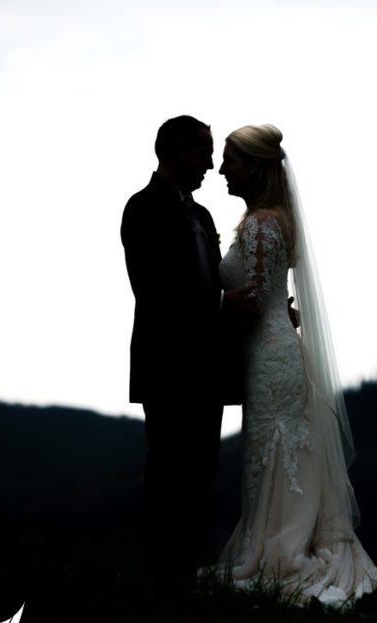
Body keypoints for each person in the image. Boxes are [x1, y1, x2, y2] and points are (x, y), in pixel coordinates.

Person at [199, 124, 377, 606]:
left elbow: (255, 300)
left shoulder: (262, 223)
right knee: (273, 452)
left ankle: (277, 551)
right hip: (273, 350)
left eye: (232, 160)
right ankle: (276, 542)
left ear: (255, 166)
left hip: (269, 356)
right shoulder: (273, 220)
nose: (223, 170)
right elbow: (271, 299)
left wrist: (216, 310)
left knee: (272, 449)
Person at [120, 115, 254, 590]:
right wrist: (222, 303)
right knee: (168, 471)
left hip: (208, 367)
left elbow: (212, 277)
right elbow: (153, 290)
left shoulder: (202, 216)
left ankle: (187, 573)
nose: (211, 164)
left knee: (201, 474)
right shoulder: (142, 209)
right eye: (204, 152)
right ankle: (161, 575)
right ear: (175, 150)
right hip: (166, 364)